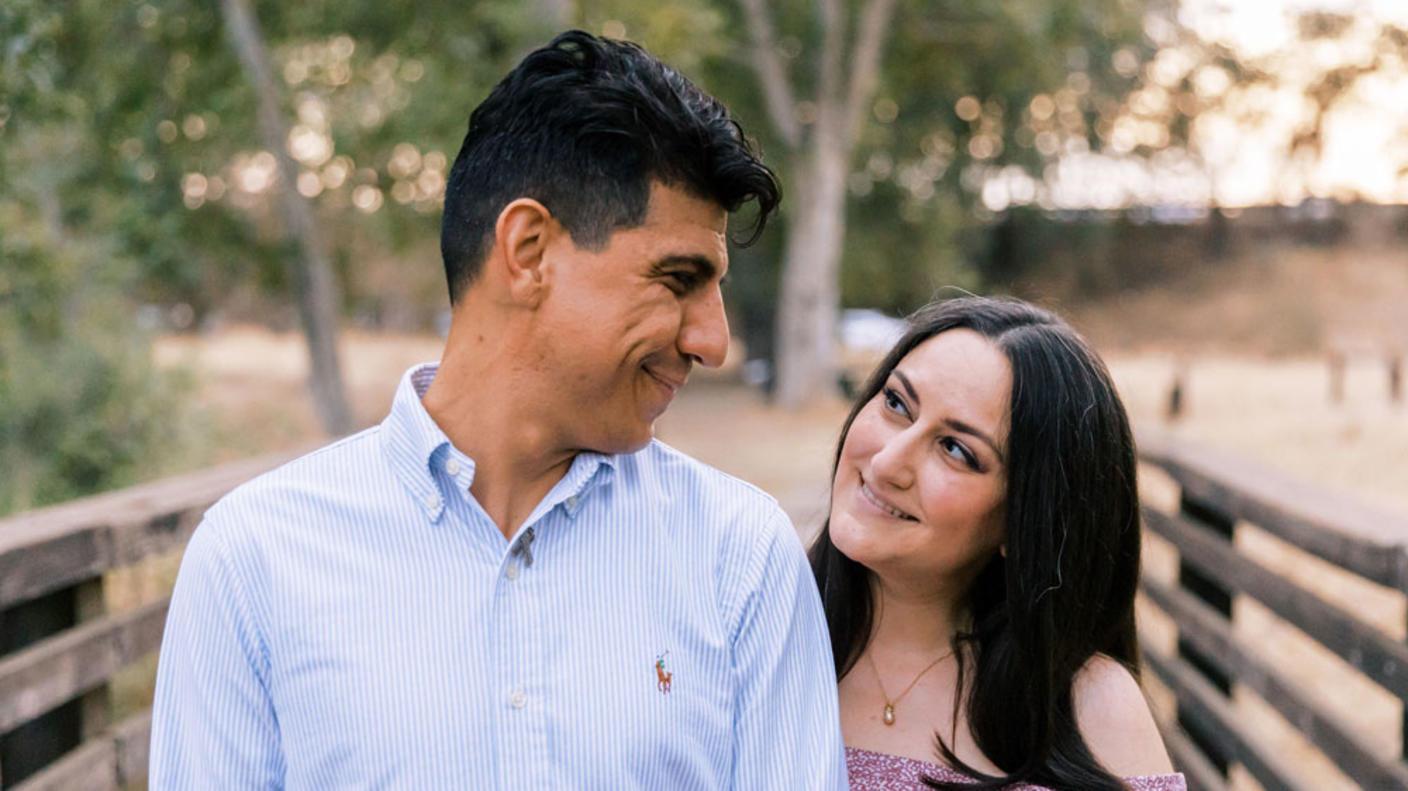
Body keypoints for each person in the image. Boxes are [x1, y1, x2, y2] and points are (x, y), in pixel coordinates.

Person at [150, 31, 848, 790]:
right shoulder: (253, 560)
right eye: (677, 278)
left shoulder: (742, 556)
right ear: (528, 249)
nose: (712, 341)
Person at [810, 296, 1186, 791]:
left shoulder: (1089, 708)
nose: (885, 463)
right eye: (897, 403)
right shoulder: (753, 630)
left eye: (956, 450)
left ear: (1024, 520)